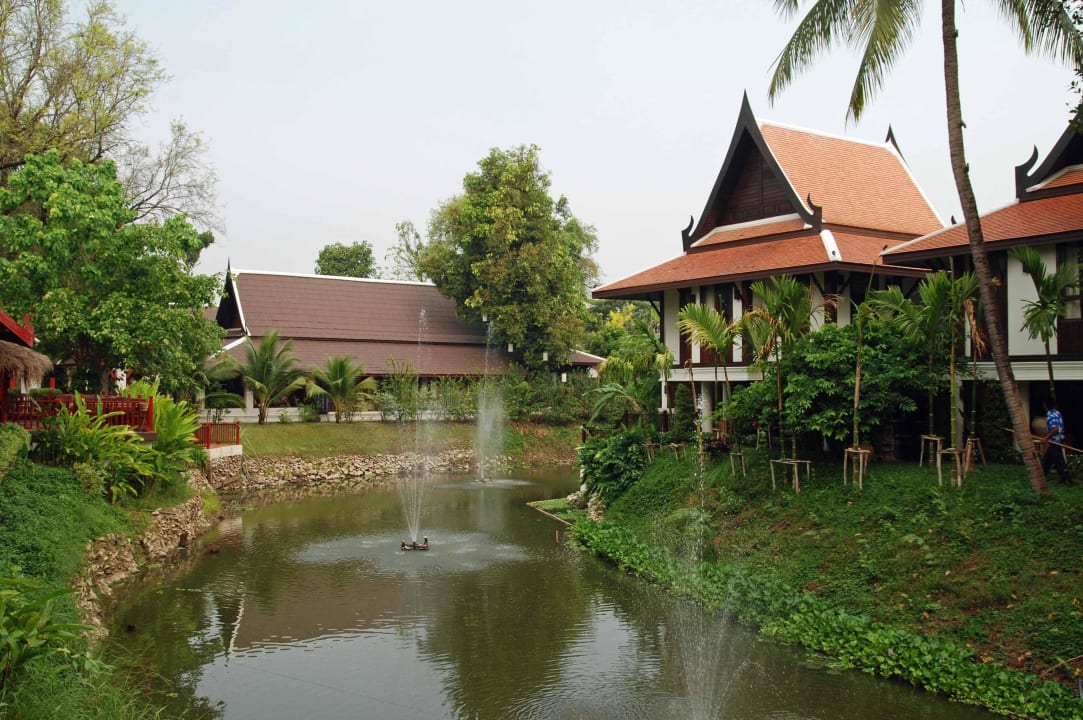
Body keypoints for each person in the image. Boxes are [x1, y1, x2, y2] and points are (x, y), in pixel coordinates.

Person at [1041, 399, 1072, 483]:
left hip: (1055, 441)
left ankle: (1067, 479)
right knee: (1048, 460)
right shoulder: (1057, 413)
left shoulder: (1050, 415)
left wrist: (1046, 438)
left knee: (1058, 461)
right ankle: (1042, 477)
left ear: (1045, 405)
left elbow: (1055, 429)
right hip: (1058, 440)